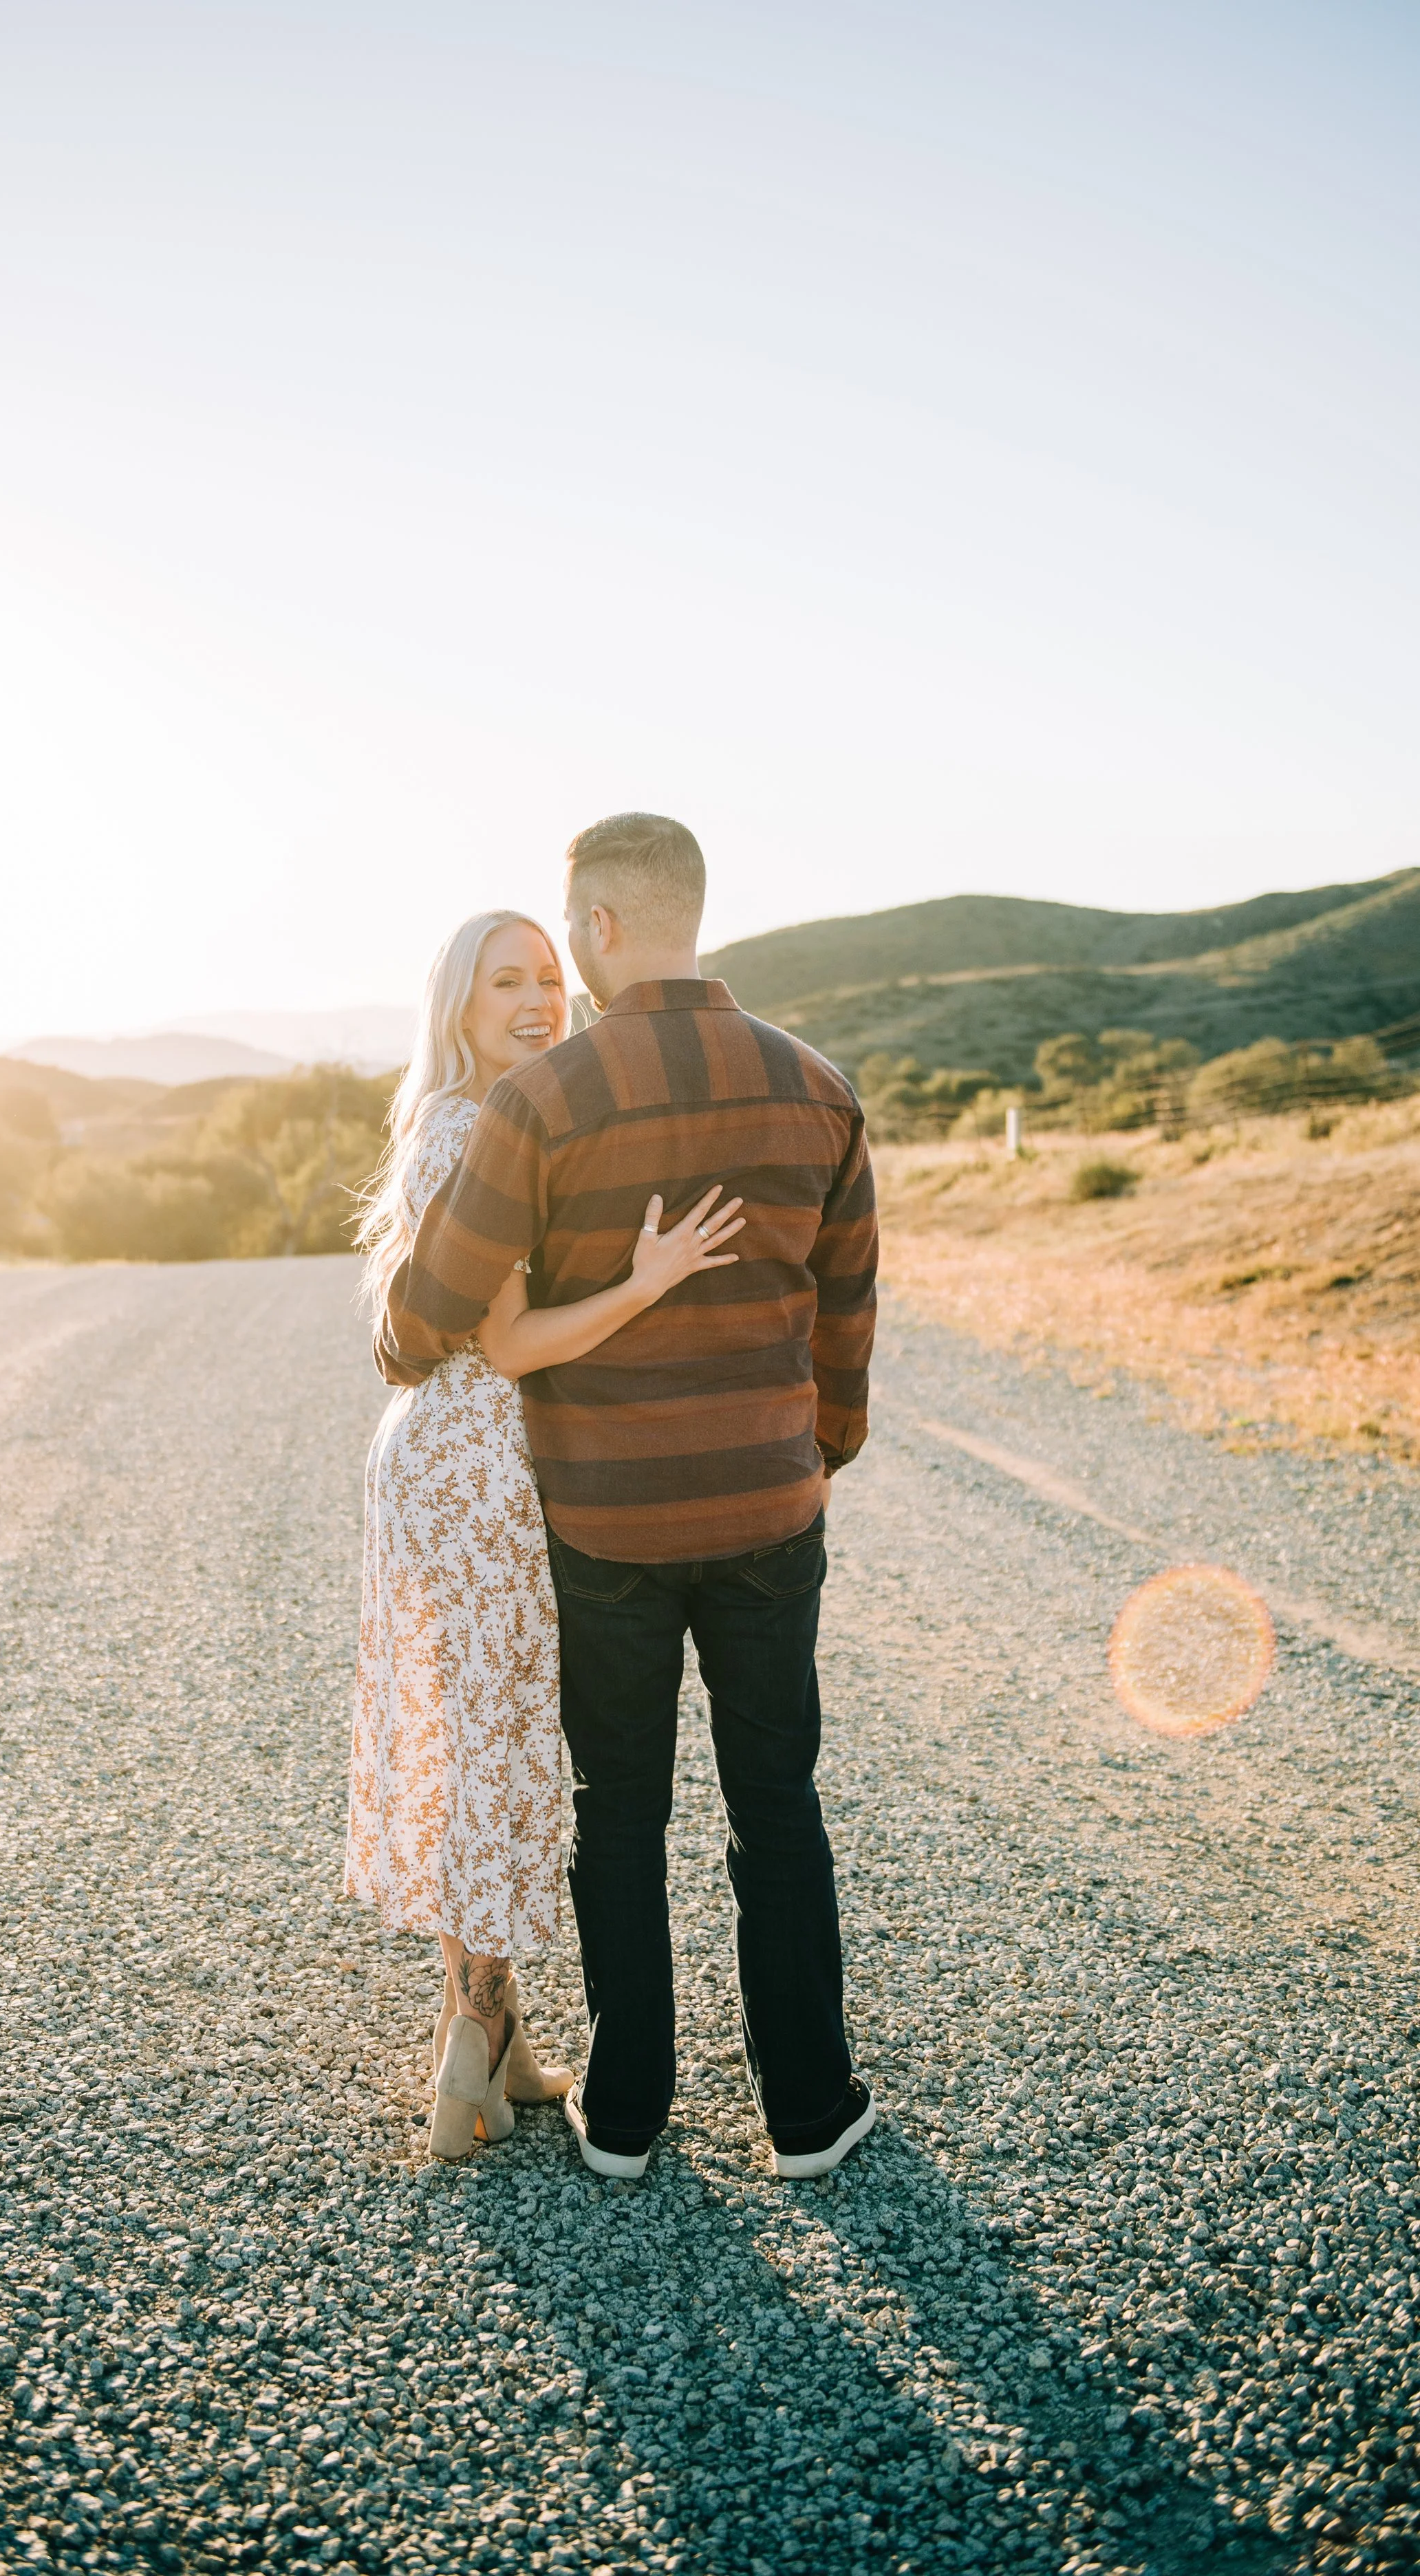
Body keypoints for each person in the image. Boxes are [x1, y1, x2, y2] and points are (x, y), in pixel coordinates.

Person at [376, 816, 879, 2180]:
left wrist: (400, 1353)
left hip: (604, 1524)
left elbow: (431, 1310)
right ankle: (808, 2111)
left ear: (595, 928)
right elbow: (844, 1311)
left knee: (621, 1810)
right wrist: (813, 1451)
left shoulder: (545, 1101)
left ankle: (627, 2112)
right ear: (692, 912)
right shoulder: (816, 1086)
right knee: (775, 1802)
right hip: (770, 1513)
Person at [346, 907, 746, 2158]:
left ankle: (504, 2044)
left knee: (483, 1739)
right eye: (506, 981)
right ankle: (468, 2049)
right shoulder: (479, 1131)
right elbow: (513, 1343)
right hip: (485, 1467)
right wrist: (651, 1280)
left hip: (441, 1456)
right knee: (501, 1748)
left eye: (551, 979)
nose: (537, 1001)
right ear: (459, 1006)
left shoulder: (460, 1121)